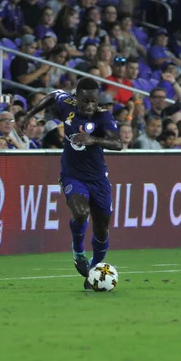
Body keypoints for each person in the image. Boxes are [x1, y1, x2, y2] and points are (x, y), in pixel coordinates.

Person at [24, 78, 122, 289]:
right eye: (85, 101)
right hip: (72, 175)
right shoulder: (66, 105)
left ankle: (94, 270)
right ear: (76, 98)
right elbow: (52, 96)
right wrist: (30, 114)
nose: (89, 106)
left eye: (93, 101)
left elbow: (118, 143)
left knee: (102, 227)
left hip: (98, 179)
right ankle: (78, 252)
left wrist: (93, 139)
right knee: (80, 211)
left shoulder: (103, 116)